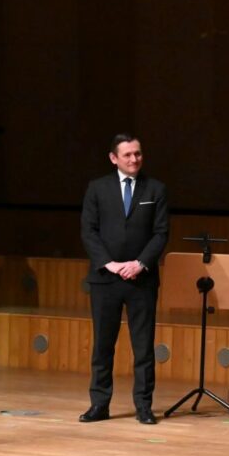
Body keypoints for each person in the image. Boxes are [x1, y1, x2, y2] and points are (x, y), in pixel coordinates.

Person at [79, 133, 169, 425]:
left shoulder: (155, 189)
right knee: (103, 345)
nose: (134, 159)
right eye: (128, 155)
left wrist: (140, 263)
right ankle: (99, 404)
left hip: (141, 279)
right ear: (113, 158)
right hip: (106, 279)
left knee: (143, 346)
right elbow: (88, 231)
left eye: (138, 154)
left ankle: (144, 406)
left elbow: (160, 233)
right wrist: (110, 264)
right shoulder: (97, 188)